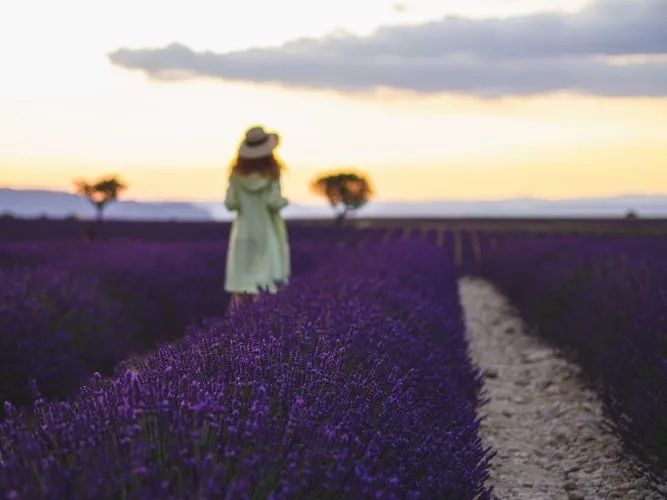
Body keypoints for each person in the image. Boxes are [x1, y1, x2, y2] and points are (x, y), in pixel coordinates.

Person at [224, 125, 290, 310]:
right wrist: (285, 201)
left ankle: (232, 335)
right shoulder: (272, 174)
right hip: (266, 234)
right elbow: (274, 202)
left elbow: (230, 204)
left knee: (240, 290)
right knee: (265, 287)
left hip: (243, 234)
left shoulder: (236, 175)